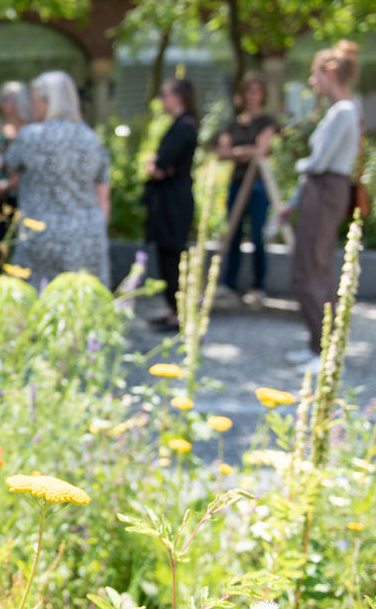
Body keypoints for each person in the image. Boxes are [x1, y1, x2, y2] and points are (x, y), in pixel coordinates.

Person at [279, 41, 362, 372]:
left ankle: (325, 350)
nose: (313, 83)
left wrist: (299, 167)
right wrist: (295, 201)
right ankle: (319, 343)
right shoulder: (344, 111)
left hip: (326, 190)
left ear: (329, 73)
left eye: (315, 75)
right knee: (314, 267)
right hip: (323, 190)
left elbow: (318, 162)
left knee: (310, 269)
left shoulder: (343, 112)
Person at [4, 71, 111, 286]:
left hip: (41, 236)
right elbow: (103, 193)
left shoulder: (32, 135)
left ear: (47, 101)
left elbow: (10, 168)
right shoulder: (91, 138)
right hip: (87, 234)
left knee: (37, 305)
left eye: (34, 101)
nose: (32, 108)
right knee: (82, 304)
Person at [215, 72, 278, 302]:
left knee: (257, 235)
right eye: (248, 91)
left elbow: (261, 151)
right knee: (232, 233)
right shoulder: (234, 124)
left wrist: (237, 152)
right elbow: (222, 152)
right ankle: (229, 283)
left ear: (262, 95)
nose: (252, 96)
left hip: (258, 184)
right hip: (236, 183)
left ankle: (258, 285)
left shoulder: (267, 122)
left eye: (256, 91)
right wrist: (245, 152)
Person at [143, 78, 200, 333]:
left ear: (179, 97)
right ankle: (173, 311)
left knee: (172, 257)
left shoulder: (184, 127)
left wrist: (156, 166)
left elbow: (161, 166)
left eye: (165, 95)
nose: (161, 100)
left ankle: (179, 314)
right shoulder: (180, 126)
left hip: (173, 203)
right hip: (169, 200)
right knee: (167, 255)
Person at [0, 80, 32, 253]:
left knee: (17, 240)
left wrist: (8, 184)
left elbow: (29, 165)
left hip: (19, 194)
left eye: (6, 99)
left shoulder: (29, 129)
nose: (2, 104)